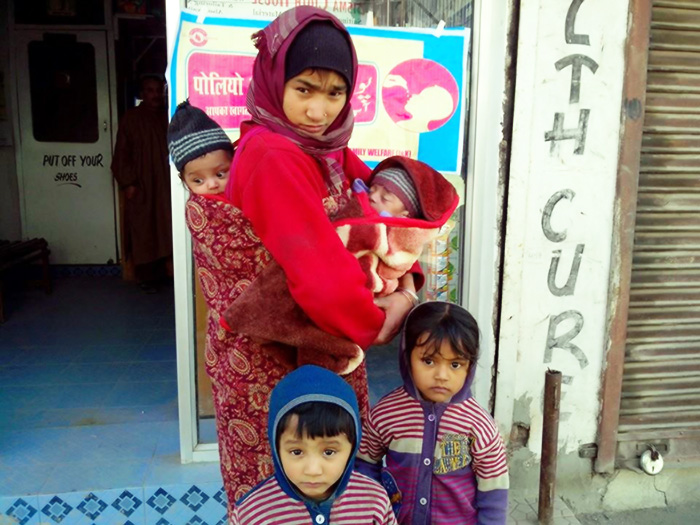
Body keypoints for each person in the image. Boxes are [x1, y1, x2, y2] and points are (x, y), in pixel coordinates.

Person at [182, 6, 420, 511]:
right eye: (305, 89)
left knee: (319, 486)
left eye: (335, 93)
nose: (320, 110)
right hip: (275, 359)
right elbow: (321, 279)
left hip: (313, 348)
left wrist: (407, 277)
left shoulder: (322, 148)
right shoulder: (275, 154)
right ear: (274, 82)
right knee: (287, 491)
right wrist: (383, 317)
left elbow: (381, 208)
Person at [223, 155, 459, 375]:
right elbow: (321, 265)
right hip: (313, 317)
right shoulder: (271, 154)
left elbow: (402, 244)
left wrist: (406, 294)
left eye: (384, 196)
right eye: (372, 190)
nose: (317, 112)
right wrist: (374, 325)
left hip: (347, 311)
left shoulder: (335, 152)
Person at [357, 302, 509, 524]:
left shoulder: (478, 425)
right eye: (428, 361)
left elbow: (493, 490)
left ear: (470, 366)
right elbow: (365, 465)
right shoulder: (386, 414)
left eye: (455, 364)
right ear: (407, 357)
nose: (441, 375)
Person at [231, 365, 397, 524]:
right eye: (296, 452)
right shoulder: (252, 513)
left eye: (329, 452)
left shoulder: (374, 501)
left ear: (352, 447)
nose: (313, 470)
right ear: (276, 447)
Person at [111, 74, 172, 292]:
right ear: (142, 94)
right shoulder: (132, 118)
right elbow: (121, 154)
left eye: (158, 90)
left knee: (166, 225)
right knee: (144, 228)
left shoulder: (169, 116)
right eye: (150, 90)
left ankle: (169, 274)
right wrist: (128, 183)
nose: (155, 95)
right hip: (142, 184)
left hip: (166, 183)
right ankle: (146, 277)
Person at [167, 99, 233, 195]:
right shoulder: (199, 208)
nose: (212, 185)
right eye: (198, 181)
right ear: (185, 180)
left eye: (220, 174)